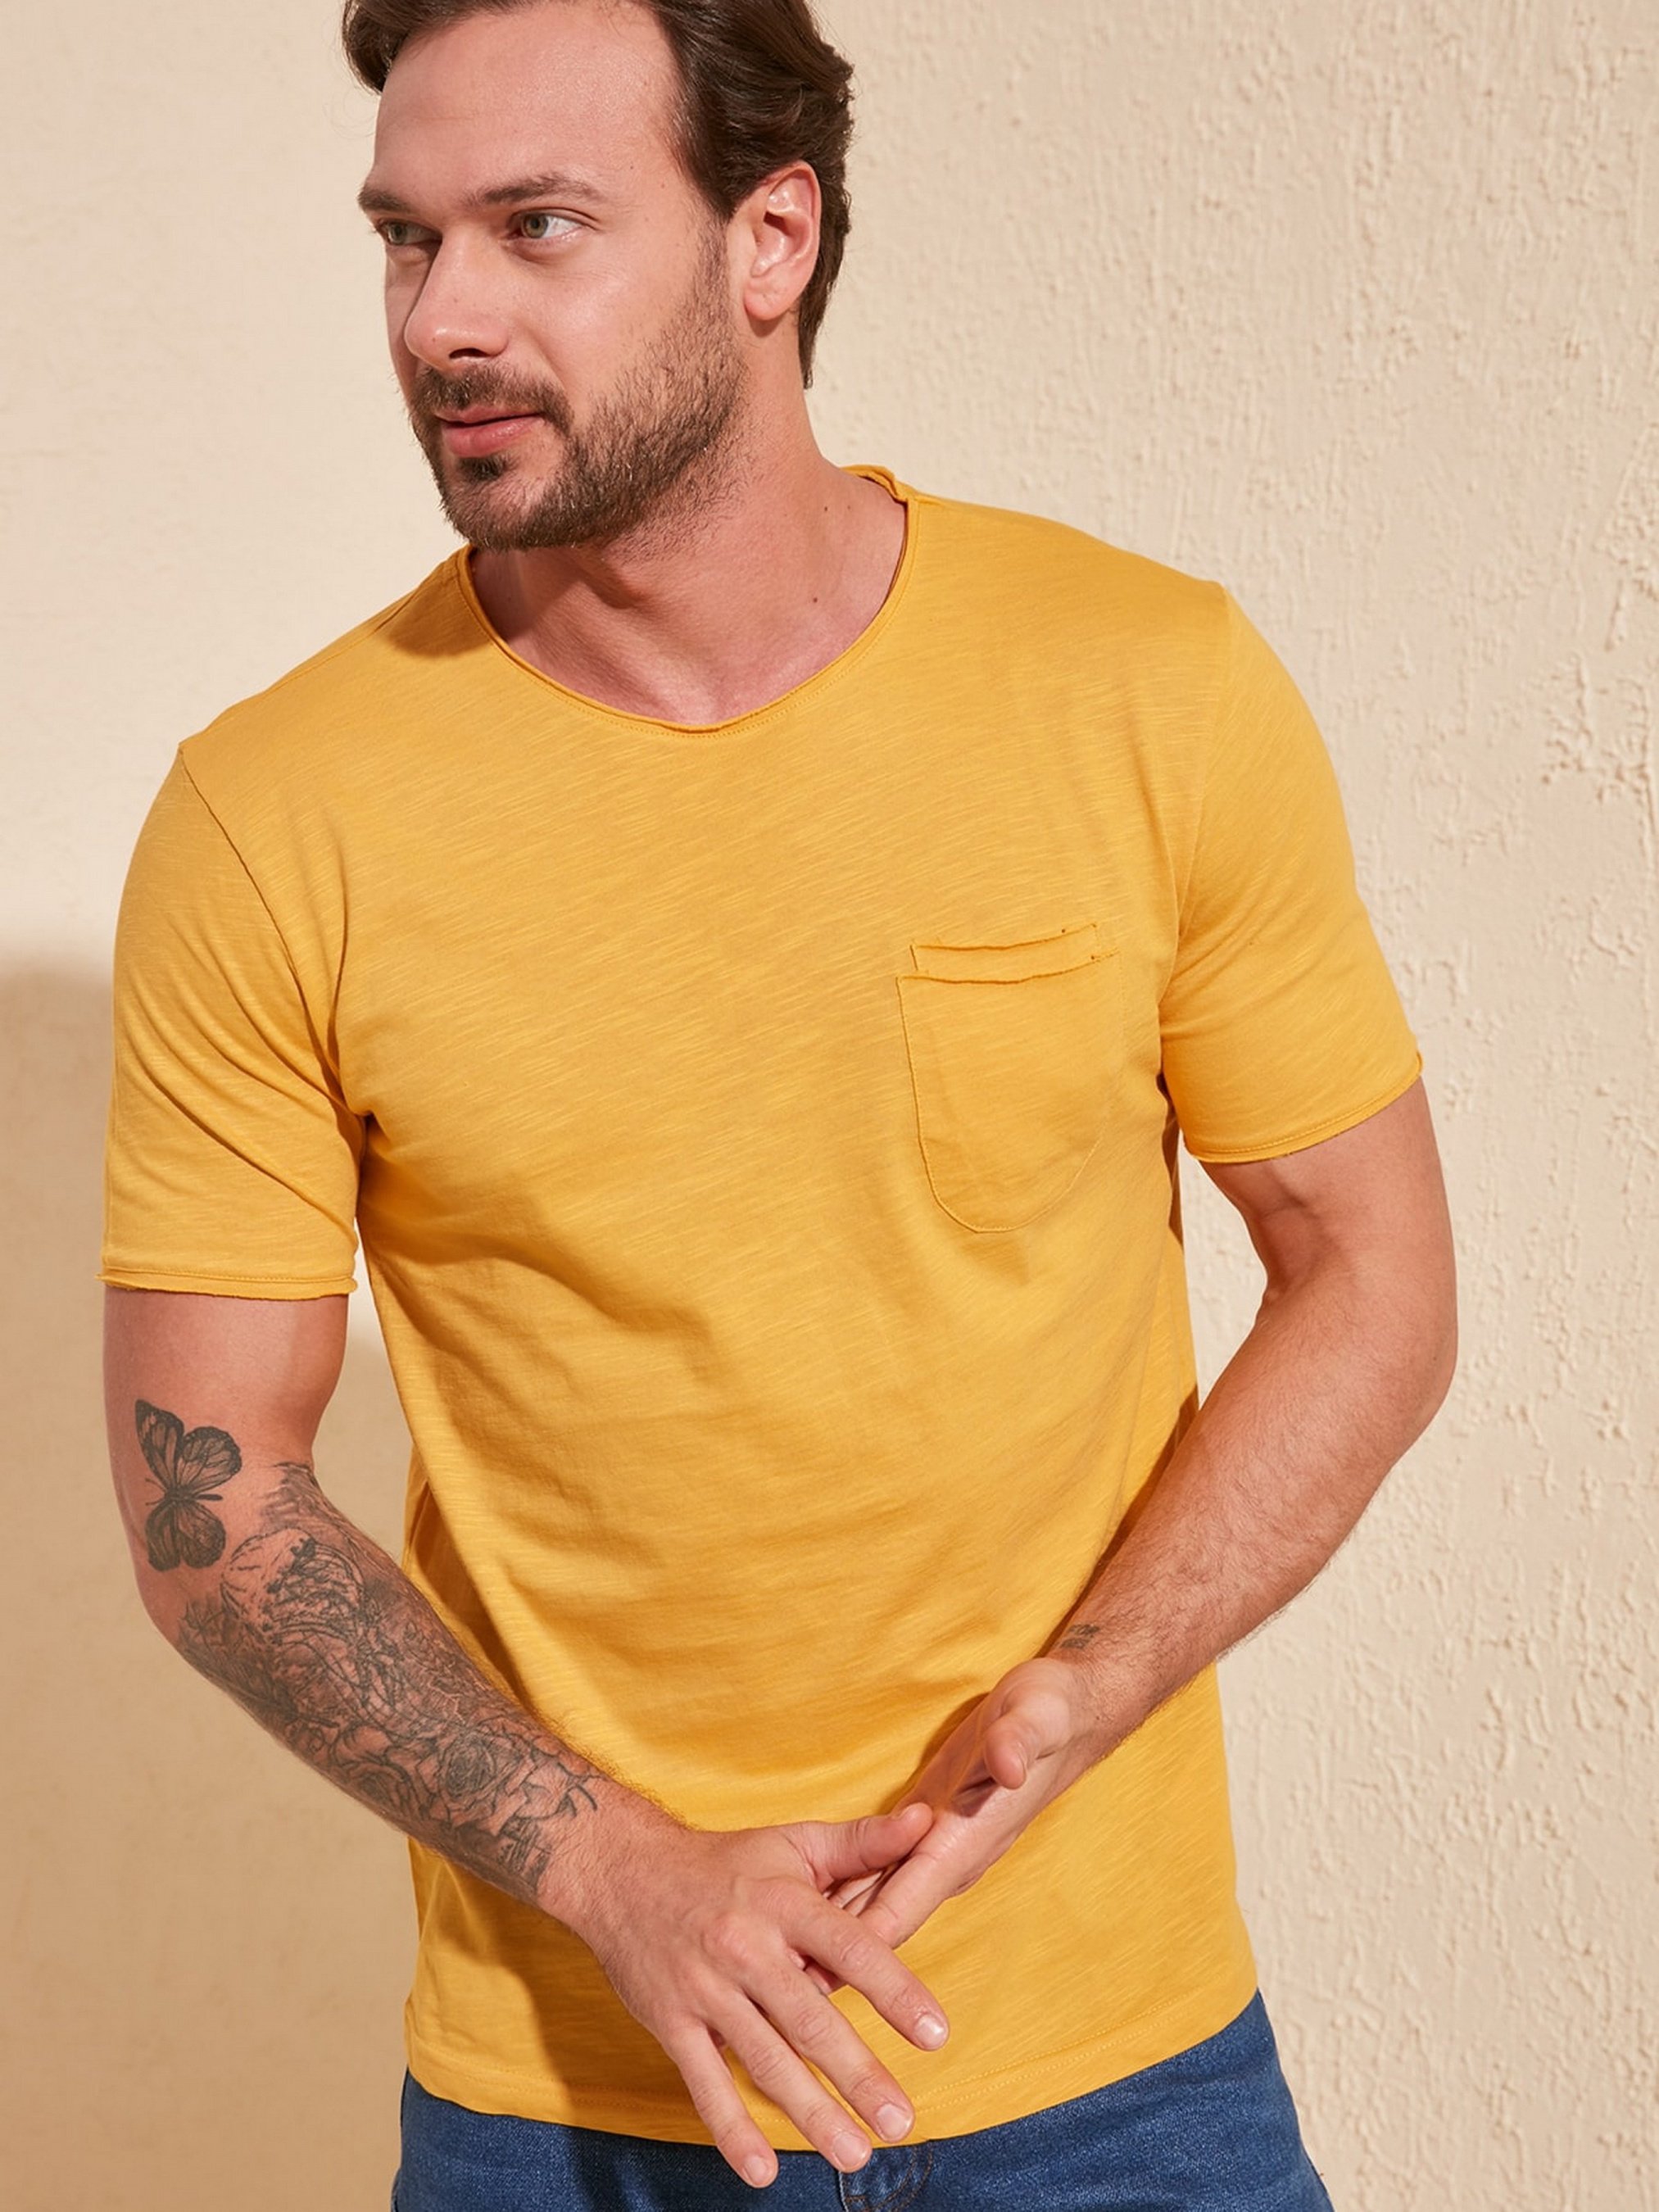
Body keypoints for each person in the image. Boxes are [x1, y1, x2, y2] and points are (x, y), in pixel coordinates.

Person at [101, 1, 1457, 2205]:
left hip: (1116, 2078)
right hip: (568, 2106)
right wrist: (616, 1871)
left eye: (537, 227)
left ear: (772, 236)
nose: (442, 318)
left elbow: (1369, 1264)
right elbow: (209, 1499)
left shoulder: (1142, 688)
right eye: (407, 238)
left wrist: (1103, 1671)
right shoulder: (273, 821)